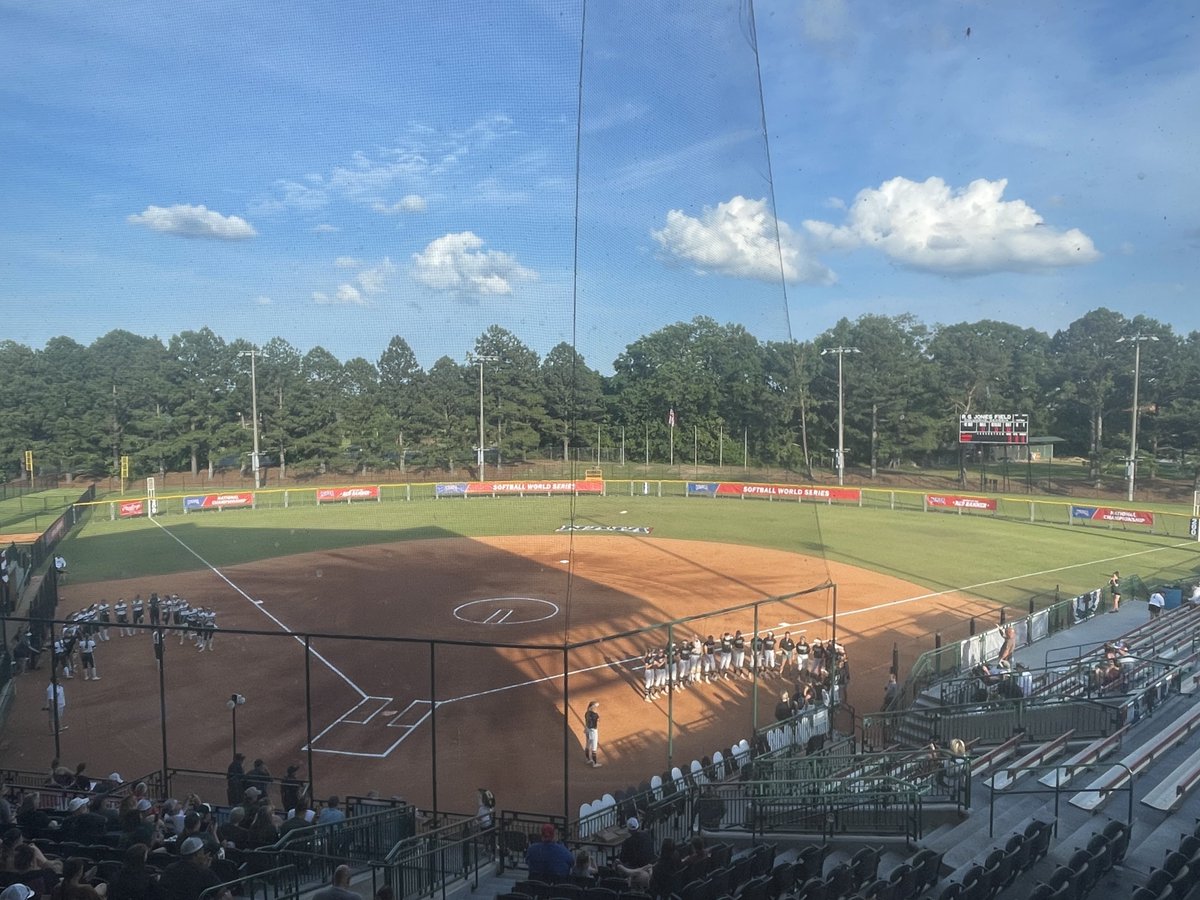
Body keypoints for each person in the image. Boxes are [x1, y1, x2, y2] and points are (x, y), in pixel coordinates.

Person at [157, 837, 230, 900]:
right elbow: (222, 892)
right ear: (197, 855)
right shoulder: (203, 872)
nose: (205, 854)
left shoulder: (169, 869)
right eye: (203, 851)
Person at [583, 701, 601, 767]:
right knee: (594, 747)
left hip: (587, 730)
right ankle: (595, 763)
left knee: (587, 745)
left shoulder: (586, 713)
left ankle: (588, 759)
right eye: (596, 707)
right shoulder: (595, 715)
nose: (596, 708)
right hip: (593, 732)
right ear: (593, 707)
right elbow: (599, 720)